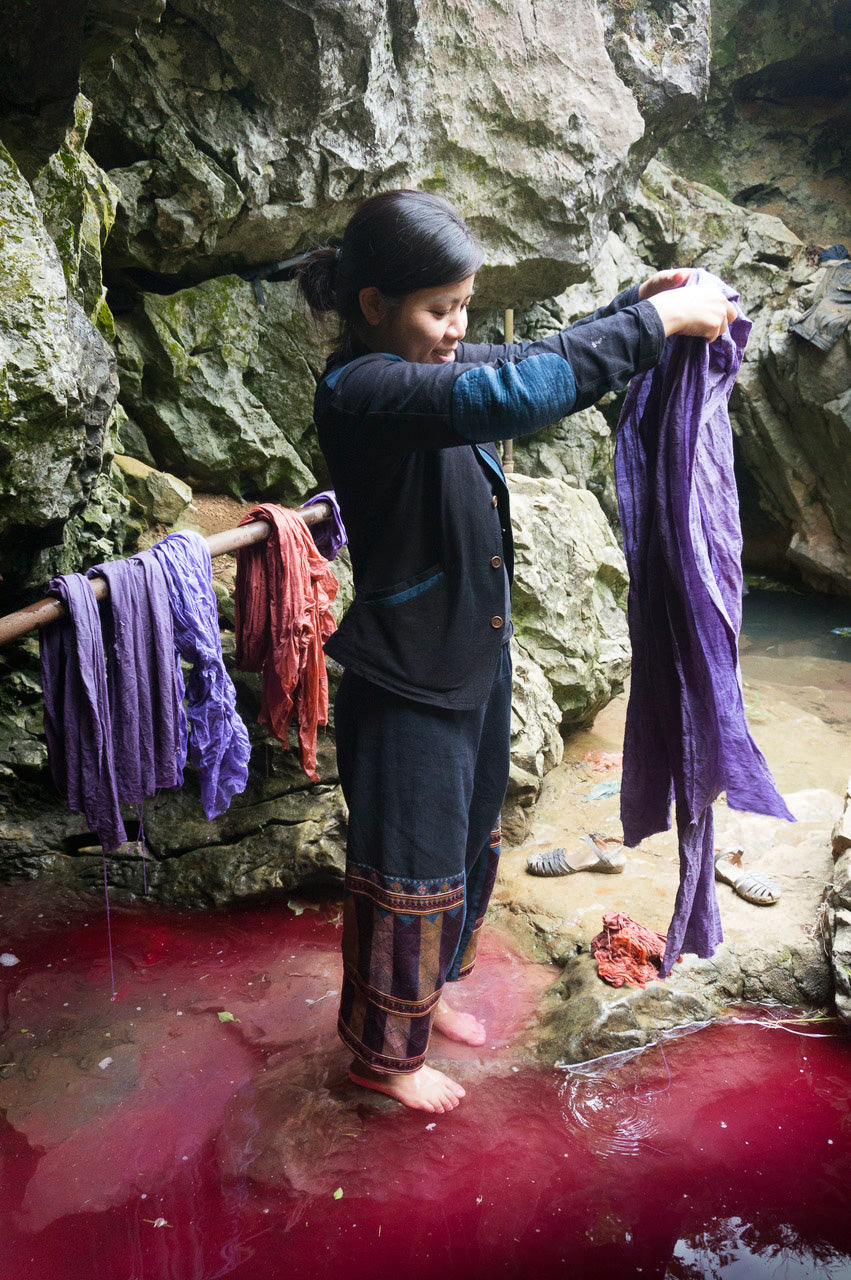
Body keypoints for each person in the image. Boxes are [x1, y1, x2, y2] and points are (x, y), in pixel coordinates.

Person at [296, 189, 736, 1114]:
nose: (457, 329)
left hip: (469, 656)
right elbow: (519, 390)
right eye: (437, 309)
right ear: (373, 305)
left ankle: (429, 992)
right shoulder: (364, 389)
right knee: (405, 869)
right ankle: (382, 1056)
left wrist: (629, 305)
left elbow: (530, 357)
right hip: (407, 674)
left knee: (461, 843)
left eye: (463, 307)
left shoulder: (426, 363)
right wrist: (656, 323)